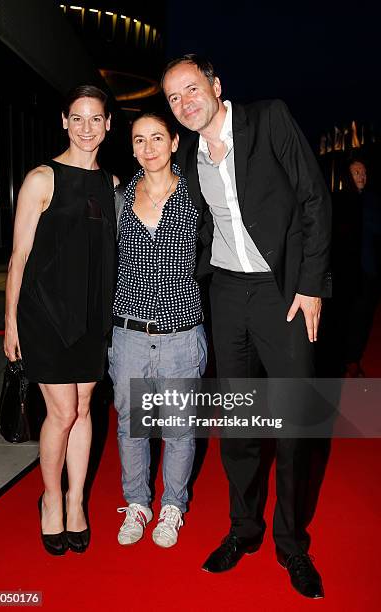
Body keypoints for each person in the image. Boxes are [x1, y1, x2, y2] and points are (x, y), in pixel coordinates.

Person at [162, 54, 331, 598]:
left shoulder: (270, 120)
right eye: (174, 98)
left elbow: (313, 199)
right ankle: (244, 529)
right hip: (228, 293)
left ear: (215, 85)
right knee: (237, 423)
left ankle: (291, 542)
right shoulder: (187, 154)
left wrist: (310, 285)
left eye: (192, 89)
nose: (185, 103)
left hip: (282, 292)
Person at [4, 85, 118, 555]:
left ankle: (77, 502)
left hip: (92, 316)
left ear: (109, 124)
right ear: (65, 122)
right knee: (62, 412)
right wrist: (11, 322)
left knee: (85, 409)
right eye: (78, 118)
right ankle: (50, 499)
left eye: (96, 118)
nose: (87, 127)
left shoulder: (112, 186)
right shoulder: (40, 179)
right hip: (44, 315)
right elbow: (19, 256)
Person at [108, 111, 207, 549]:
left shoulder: (195, 195)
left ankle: (172, 506)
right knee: (132, 426)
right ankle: (137, 504)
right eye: (139, 140)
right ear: (131, 147)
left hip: (181, 334)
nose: (148, 148)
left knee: (179, 427)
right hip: (129, 333)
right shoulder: (118, 197)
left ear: (173, 142)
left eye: (157, 138)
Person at [331, 159, 381, 376]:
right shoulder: (340, 201)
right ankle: (341, 361)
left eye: (364, 172)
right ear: (348, 177)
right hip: (346, 273)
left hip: (369, 272)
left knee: (364, 319)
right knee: (344, 319)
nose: (362, 176)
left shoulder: (373, 201)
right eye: (357, 172)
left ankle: (353, 361)